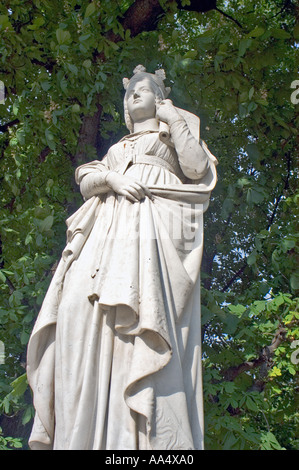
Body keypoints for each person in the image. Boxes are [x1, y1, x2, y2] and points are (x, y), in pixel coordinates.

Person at [27, 65, 217, 450]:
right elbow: (86, 178)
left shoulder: (172, 130)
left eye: (144, 89)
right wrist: (112, 179)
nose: (134, 94)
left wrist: (174, 118)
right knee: (76, 316)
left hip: (151, 235)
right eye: (130, 92)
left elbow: (198, 168)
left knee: (137, 327)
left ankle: (132, 437)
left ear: (160, 98)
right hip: (103, 235)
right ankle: (83, 433)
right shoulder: (116, 150)